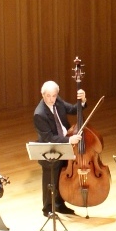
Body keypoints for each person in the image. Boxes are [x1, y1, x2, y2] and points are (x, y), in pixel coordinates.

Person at [32, 79, 88, 216]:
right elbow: (49, 138)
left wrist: (83, 100)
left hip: (65, 144)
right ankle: (47, 209)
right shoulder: (39, 114)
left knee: (62, 178)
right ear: (42, 95)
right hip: (50, 150)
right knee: (50, 180)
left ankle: (60, 205)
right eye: (48, 96)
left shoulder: (57, 101)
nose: (51, 99)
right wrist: (69, 139)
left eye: (54, 95)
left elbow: (74, 109)